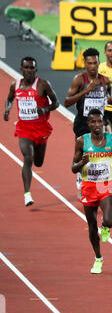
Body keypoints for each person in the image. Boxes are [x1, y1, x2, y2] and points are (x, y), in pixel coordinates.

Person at [72, 108, 112, 274]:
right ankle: (98, 258)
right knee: (91, 225)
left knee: (110, 220)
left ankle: (105, 226)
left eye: (99, 121)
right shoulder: (82, 141)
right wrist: (82, 162)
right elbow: (73, 169)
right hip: (88, 186)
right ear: (88, 124)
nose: (97, 125)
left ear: (104, 123)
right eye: (93, 122)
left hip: (105, 186)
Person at [3, 56, 59, 206]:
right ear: (21, 69)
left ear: (36, 70)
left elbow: (56, 102)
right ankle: (27, 194)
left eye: (31, 68)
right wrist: (7, 110)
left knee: (38, 163)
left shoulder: (43, 85)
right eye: (26, 68)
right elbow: (9, 99)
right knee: (28, 157)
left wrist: (45, 109)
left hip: (41, 128)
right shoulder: (15, 85)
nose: (28, 71)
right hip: (24, 128)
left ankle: (35, 155)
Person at [64, 47, 112, 138]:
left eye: (95, 63)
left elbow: (109, 93)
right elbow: (67, 102)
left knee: (105, 148)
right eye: (90, 63)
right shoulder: (79, 80)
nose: (93, 66)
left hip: (100, 121)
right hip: (83, 122)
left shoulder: (106, 80)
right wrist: (86, 91)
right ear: (85, 64)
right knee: (82, 151)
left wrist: (109, 98)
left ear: (99, 63)